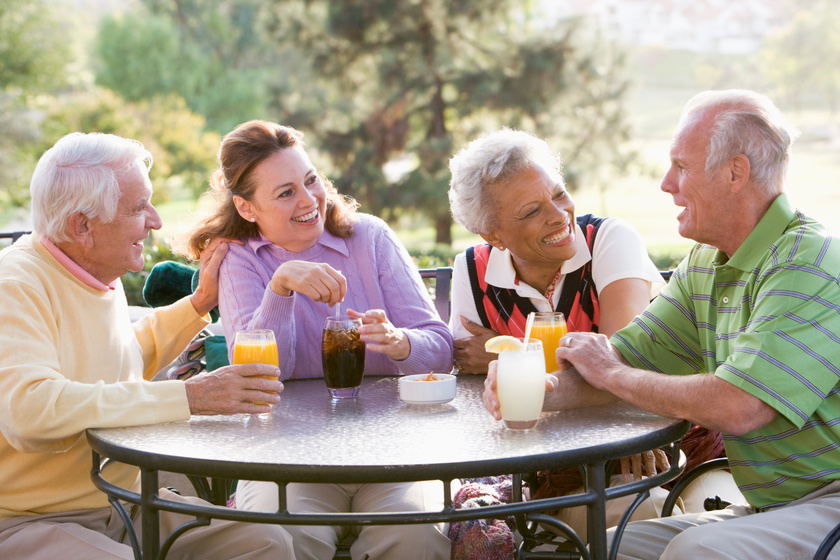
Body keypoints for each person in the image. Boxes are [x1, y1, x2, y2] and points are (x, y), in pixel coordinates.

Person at [485, 89, 840, 559]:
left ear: (736, 172)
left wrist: (612, 374)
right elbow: (625, 359)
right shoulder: (706, 264)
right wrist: (541, 387)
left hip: (829, 500)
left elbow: (742, 406)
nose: (666, 183)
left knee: (693, 552)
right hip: (775, 506)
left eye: (682, 166)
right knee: (612, 547)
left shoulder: (810, 261)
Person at [0, 132, 294, 559]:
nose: (155, 220)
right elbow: (29, 410)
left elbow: (117, 359)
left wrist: (198, 304)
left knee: (265, 543)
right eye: (139, 208)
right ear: (83, 226)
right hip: (28, 519)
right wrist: (190, 396)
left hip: (124, 504)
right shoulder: (15, 285)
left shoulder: (94, 269)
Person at [183, 120, 453, 560]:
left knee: (414, 538)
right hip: (286, 457)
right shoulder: (239, 260)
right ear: (247, 208)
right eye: (285, 192)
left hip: (395, 451)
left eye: (311, 181)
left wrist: (400, 342)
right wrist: (280, 288)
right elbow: (259, 375)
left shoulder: (370, 237)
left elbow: (440, 349)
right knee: (282, 542)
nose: (309, 201)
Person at [447, 128, 724, 544]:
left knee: (650, 517)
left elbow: (622, 361)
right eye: (531, 211)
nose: (558, 215)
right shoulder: (472, 271)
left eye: (558, 194)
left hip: (669, 440)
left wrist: (510, 361)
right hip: (562, 464)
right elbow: (473, 379)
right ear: (493, 234)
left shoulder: (610, 240)